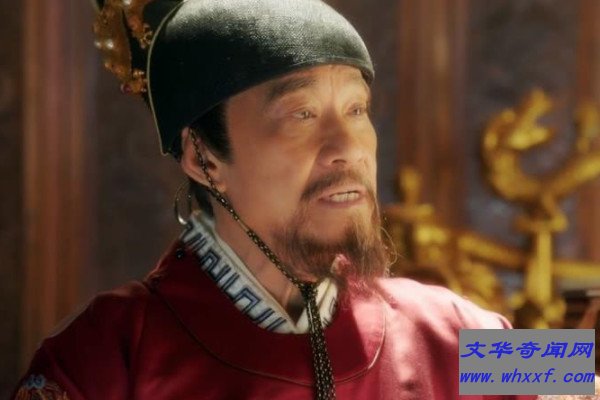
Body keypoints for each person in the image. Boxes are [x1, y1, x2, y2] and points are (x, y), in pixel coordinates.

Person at [12, 0, 560, 399]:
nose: (349, 148)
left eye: (357, 110)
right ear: (203, 156)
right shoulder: (105, 360)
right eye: (302, 114)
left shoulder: (458, 335)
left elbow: (576, 372)